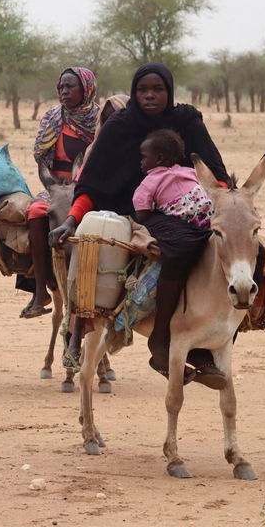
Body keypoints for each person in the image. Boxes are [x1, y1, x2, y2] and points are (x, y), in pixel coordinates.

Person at [50, 62, 246, 389]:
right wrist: (72, 219)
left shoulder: (187, 121)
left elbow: (214, 173)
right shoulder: (119, 128)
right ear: (134, 92)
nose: (150, 96)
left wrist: (231, 209)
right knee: (180, 248)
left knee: (244, 251)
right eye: (143, 90)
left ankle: (218, 338)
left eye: (158, 90)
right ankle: (159, 342)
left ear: (169, 91)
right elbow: (93, 184)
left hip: (192, 206)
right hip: (136, 213)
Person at [20, 67, 99, 318]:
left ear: (86, 89)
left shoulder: (100, 120)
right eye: (61, 87)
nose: (64, 92)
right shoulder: (53, 117)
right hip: (55, 186)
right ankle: (40, 289)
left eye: (70, 87)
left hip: (91, 187)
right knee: (35, 211)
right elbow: (43, 159)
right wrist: (55, 188)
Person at [133, 129, 214, 229]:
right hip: (210, 215)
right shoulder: (190, 172)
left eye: (143, 157)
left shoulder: (148, 183)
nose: (141, 161)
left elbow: (142, 215)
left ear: (159, 158)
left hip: (182, 225)